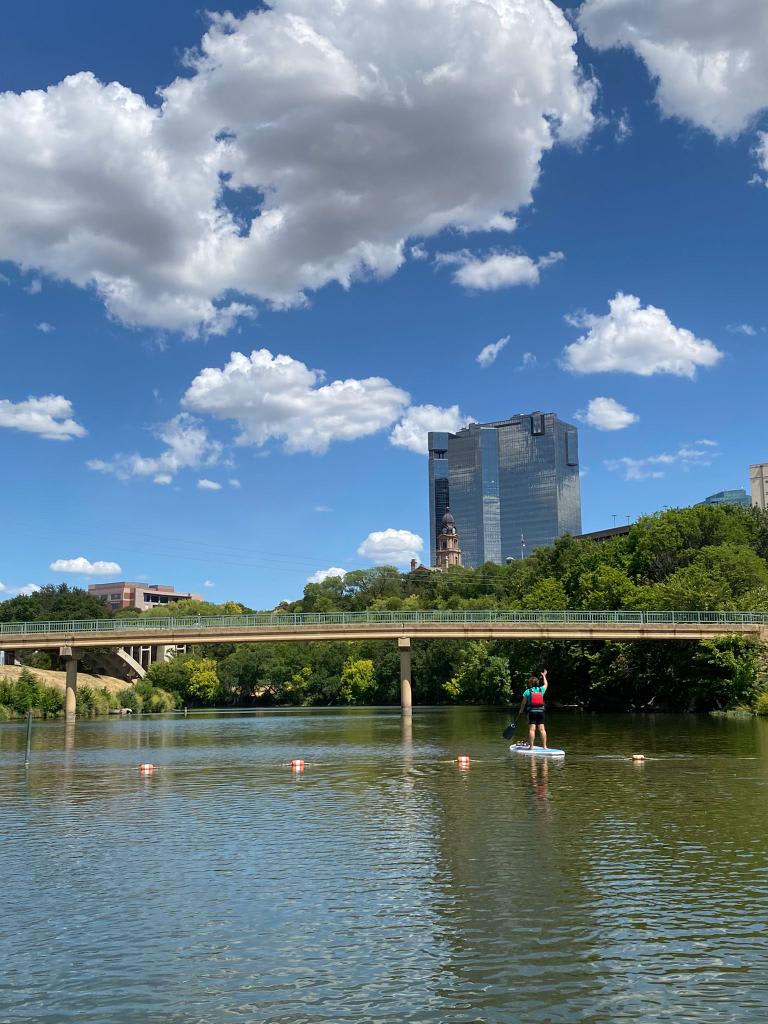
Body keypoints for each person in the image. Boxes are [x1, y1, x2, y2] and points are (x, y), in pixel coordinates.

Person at [518, 669, 548, 750]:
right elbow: (546, 684)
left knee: (532, 729)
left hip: (532, 712)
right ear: (537, 683)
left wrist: (521, 711)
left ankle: (531, 747)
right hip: (541, 712)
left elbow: (523, 703)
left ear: (530, 684)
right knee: (542, 729)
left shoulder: (527, 691)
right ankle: (545, 747)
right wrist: (544, 676)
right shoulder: (541, 690)